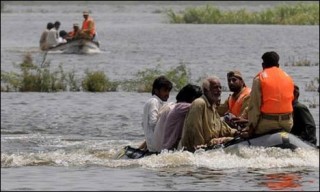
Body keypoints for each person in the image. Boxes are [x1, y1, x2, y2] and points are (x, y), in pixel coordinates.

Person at [240, 51, 295, 139]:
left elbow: (254, 107)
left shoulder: (259, 79)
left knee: (250, 135)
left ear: (263, 65)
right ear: (278, 65)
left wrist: (250, 128)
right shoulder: (288, 78)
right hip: (287, 123)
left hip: (267, 124)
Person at [178, 76, 239, 152]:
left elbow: (222, 128)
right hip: (197, 149)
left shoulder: (213, 107)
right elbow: (194, 128)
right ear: (206, 90)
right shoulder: (199, 103)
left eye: (220, 88)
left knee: (236, 140)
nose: (219, 90)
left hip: (210, 145)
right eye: (215, 88)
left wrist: (237, 132)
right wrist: (200, 149)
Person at [160, 84, 203, 151]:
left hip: (171, 147)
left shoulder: (179, 107)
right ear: (193, 98)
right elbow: (200, 107)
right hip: (171, 148)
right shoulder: (181, 107)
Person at [139, 76, 173, 152]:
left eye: (168, 91)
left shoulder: (155, 102)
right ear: (156, 90)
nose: (167, 94)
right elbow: (153, 123)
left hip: (152, 144)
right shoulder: (154, 101)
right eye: (165, 91)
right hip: (156, 146)